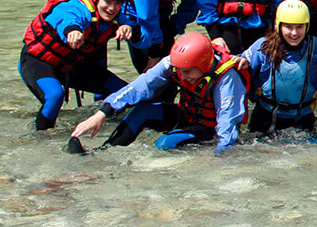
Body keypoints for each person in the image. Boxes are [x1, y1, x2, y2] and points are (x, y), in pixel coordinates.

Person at [70, 32, 250, 152]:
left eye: (187, 72)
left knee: (164, 144)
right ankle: (104, 152)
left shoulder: (227, 79)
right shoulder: (173, 63)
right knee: (142, 110)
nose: (181, 75)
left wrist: (220, 159)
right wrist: (102, 113)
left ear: (203, 66)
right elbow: (139, 87)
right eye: (178, 70)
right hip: (186, 116)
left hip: (210, 129)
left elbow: (227, 126)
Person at [20, 0, 134, 131]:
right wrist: (72, 31)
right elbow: (65, 18)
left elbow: (136, 29)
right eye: (107, 1)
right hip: (38, 61)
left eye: (117, 3)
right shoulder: (76, 7)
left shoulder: (117, 14)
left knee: (126, 94)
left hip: (72, 65)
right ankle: (39, 139)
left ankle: (106, 131)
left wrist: (129, 28)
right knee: (54, 96)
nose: (111, 8)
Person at [241, 0, 317, 133]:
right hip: (266, 117)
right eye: (288, 27)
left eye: (299, 27)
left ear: (307, 26)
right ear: (278, 26)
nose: (294, 33)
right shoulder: (263, 48)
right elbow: (238, 67)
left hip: (303, 118)